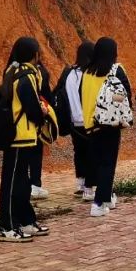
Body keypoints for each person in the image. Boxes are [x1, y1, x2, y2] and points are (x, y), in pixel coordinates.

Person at [0, 37, 50, 242]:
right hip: (19, 136)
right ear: (34, 54)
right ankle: (8, 226)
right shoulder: (26, 76)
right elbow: (32, 109)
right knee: (12, 183)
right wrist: (43, 113)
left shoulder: (15, 72)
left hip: (23, 136)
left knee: (22, 182)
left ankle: (26, 220)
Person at [80, 37, 132, 217]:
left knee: (99, 161)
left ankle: (108, 197)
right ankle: (99, 203)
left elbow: (82, 96)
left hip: (90, 124)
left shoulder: (86, 72)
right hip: (110, 124)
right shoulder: (115, 70)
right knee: (108, 163)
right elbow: (126, 94)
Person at [55, 40, 95, 198]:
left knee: (79, 152)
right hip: (89, 120)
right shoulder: (91, 73)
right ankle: (89, 188)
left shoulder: (68, 73)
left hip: (73, 121)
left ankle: (80, 182)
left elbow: (58, 92)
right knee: (92, 153)